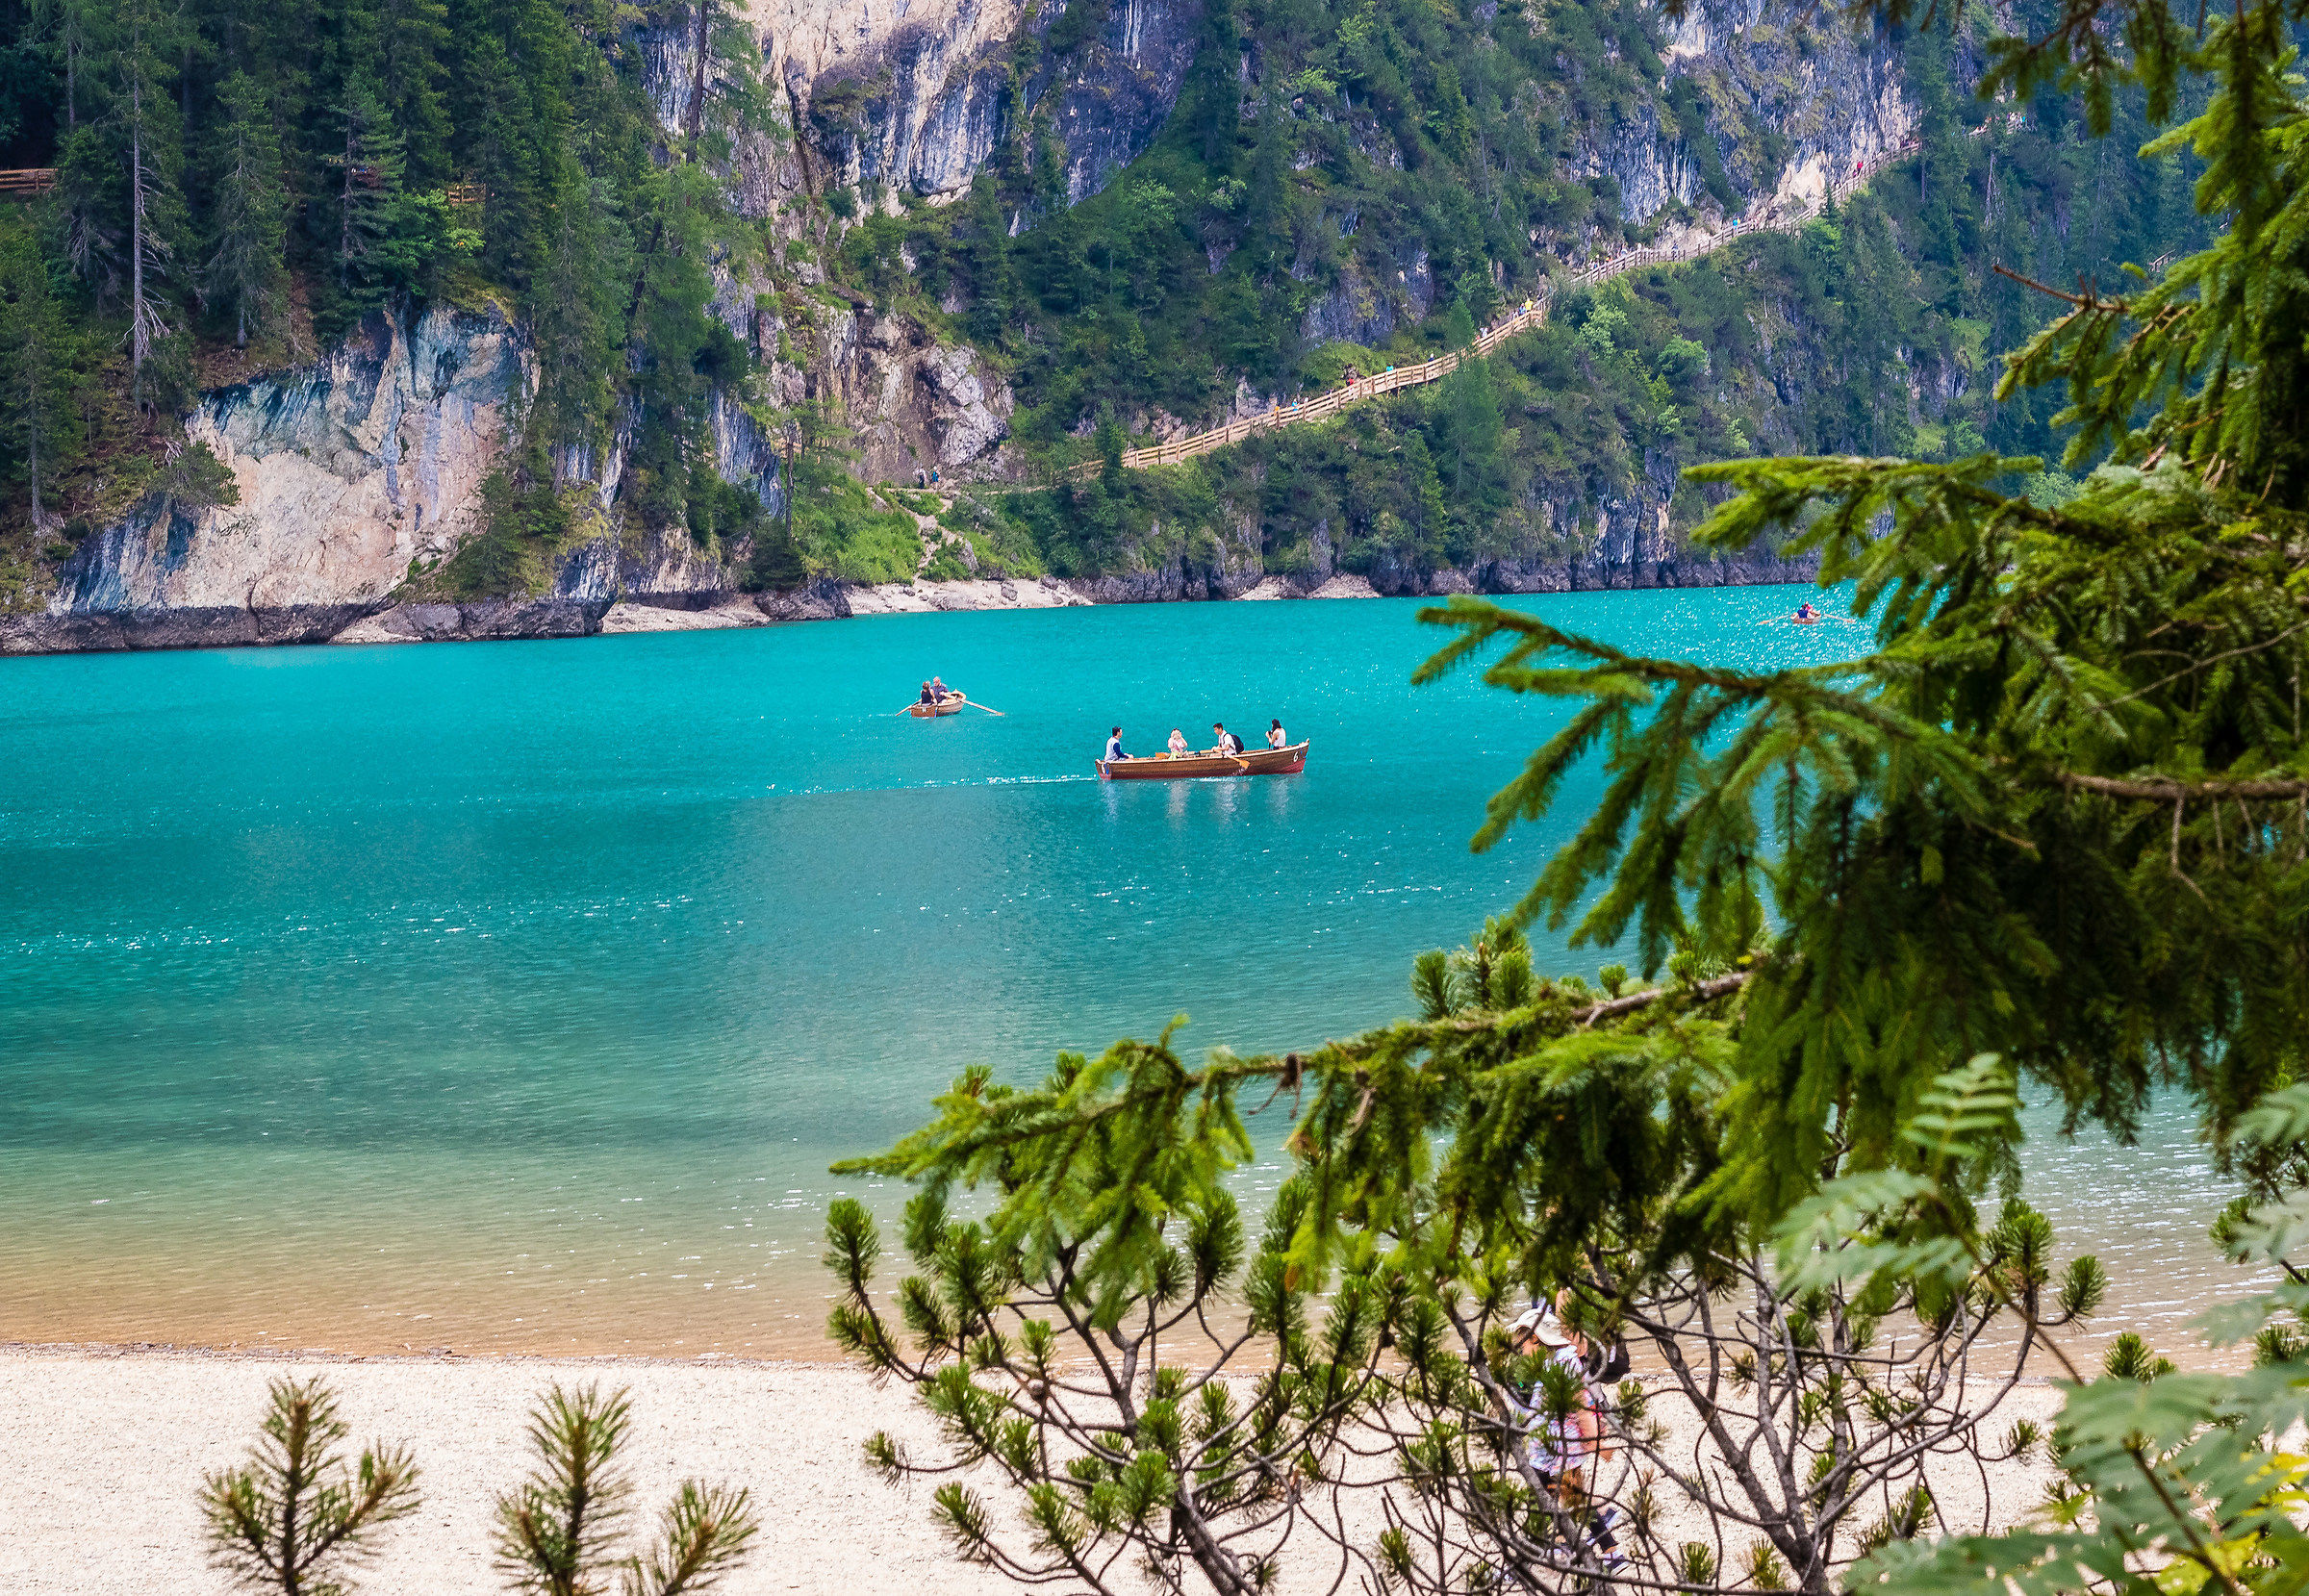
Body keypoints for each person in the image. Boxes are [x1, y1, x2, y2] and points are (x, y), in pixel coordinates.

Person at [1506, 1307, 1622, 1569]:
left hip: (1562, 1449)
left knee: (1567, 1501)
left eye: (1521, 1341)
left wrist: (1595, 1442)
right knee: (1568, 1501)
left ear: (1536, 1337)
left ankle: (1523, 1561)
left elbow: (1582, 1406)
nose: (1519, 1348)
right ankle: (1601, 1551)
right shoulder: (1551, 1361)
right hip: (1546, 1450)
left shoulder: (1563, 1362)